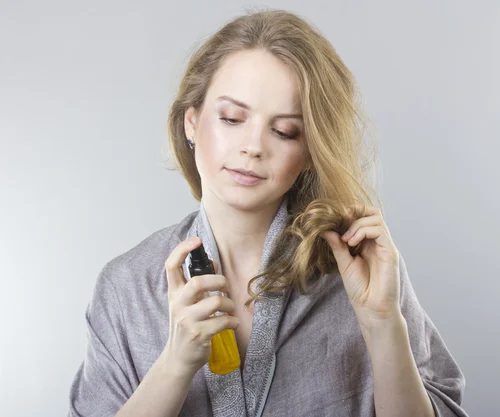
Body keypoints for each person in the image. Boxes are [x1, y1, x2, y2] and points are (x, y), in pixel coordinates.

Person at [68, 8, 469, 417]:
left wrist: (382, 325)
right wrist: (175, 363)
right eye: (231, 118)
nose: (253, 146)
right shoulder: (125, 288)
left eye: (284, 131)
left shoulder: (361, 272)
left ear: (311, 151)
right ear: (191, 122)